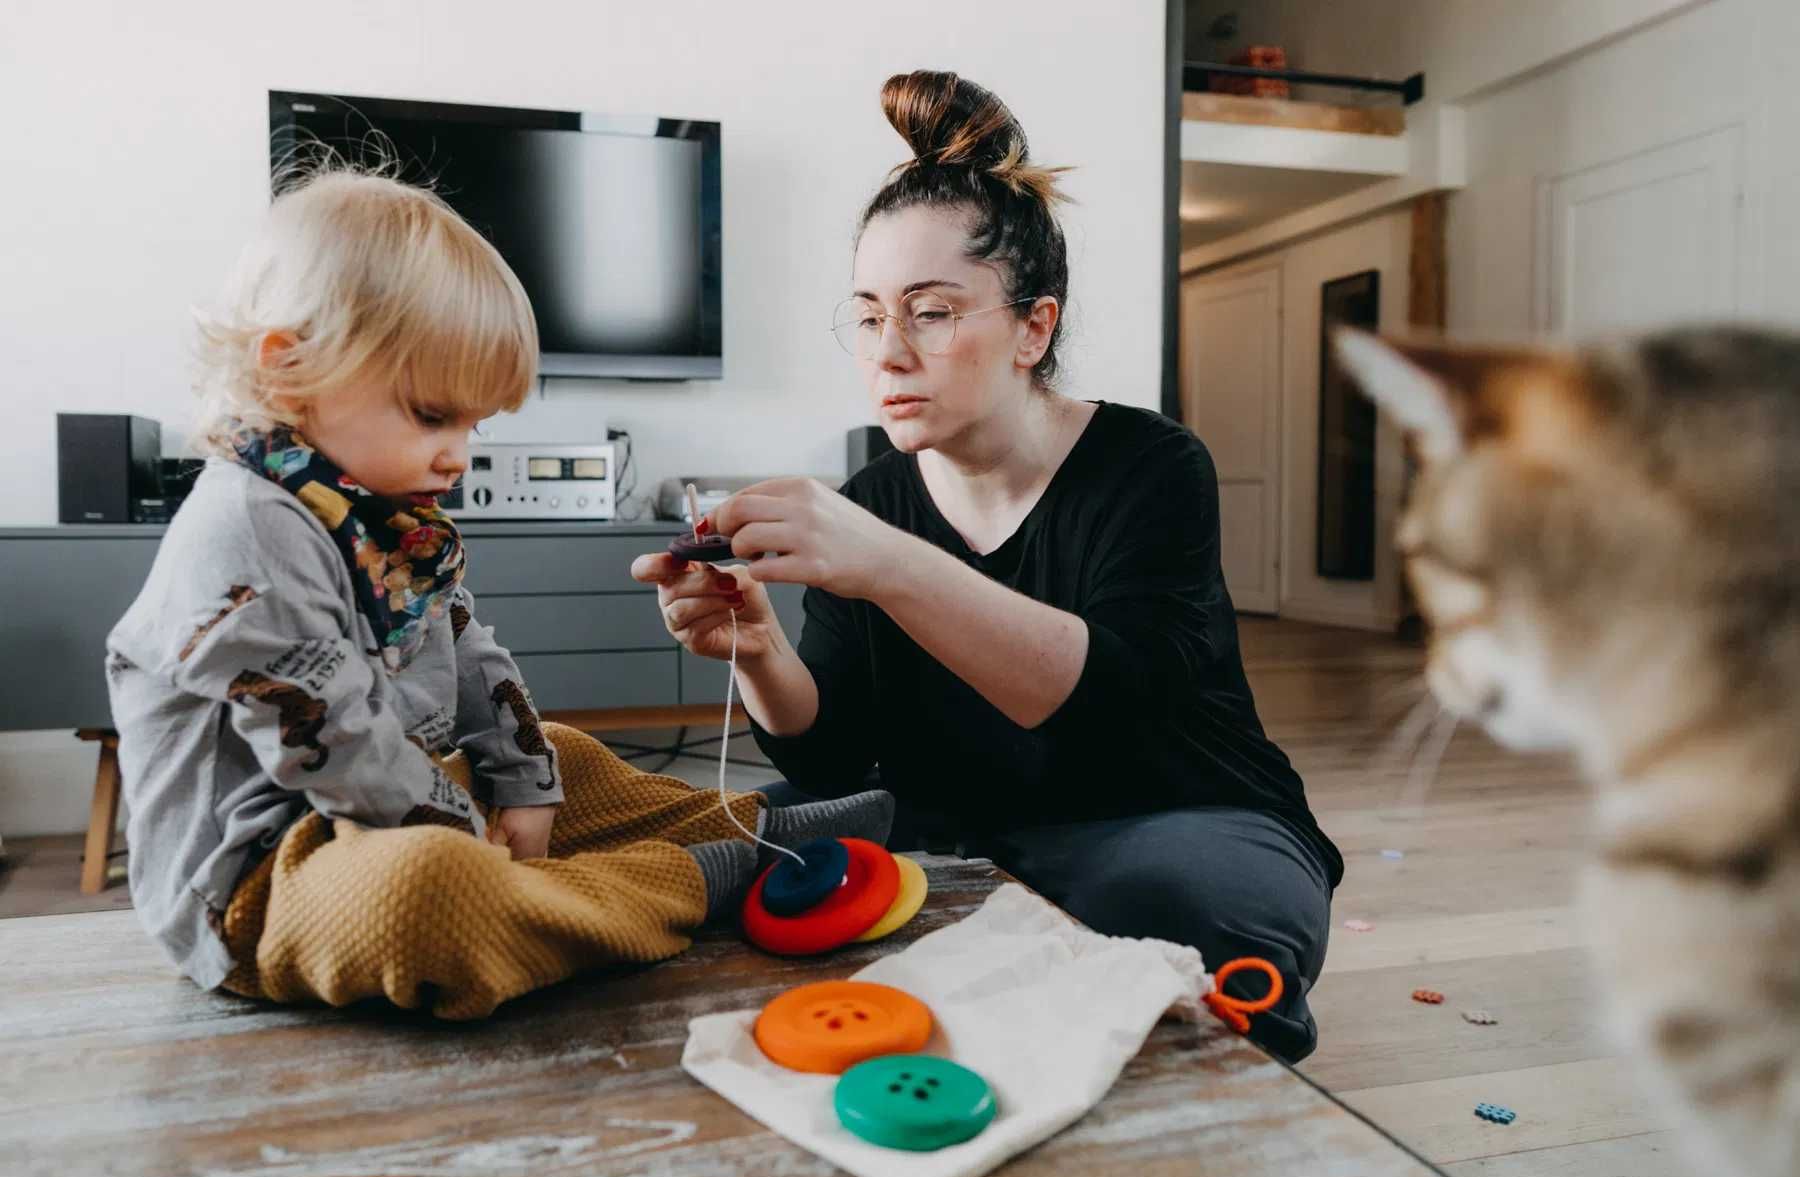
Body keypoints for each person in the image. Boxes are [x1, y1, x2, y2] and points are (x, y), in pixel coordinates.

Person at [633, 71, 1342, 1061]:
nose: (888, 351)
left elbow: (1114, 706)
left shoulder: (1149, 466)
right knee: (694, 858)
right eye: (871, 314)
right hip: (954, 822)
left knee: (1184, 914)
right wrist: (758, 652)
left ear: (1033, 327)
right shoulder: (878, 499)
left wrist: (885, 565)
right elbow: (829, 755)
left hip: (1166, 812)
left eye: (931, 312)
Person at [105, 167, 889, 1021]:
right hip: (260, 883)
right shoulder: (244, 527)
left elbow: (472, 652)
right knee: (435, 891)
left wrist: (524, 787)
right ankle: (701, 879)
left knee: (559, 752)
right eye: (433, 415)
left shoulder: (385, 516)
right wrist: (464, 830)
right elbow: (329, 741)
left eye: (474, 425)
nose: (458, 453)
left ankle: (748, 827)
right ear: (290, 371)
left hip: (399, 799)